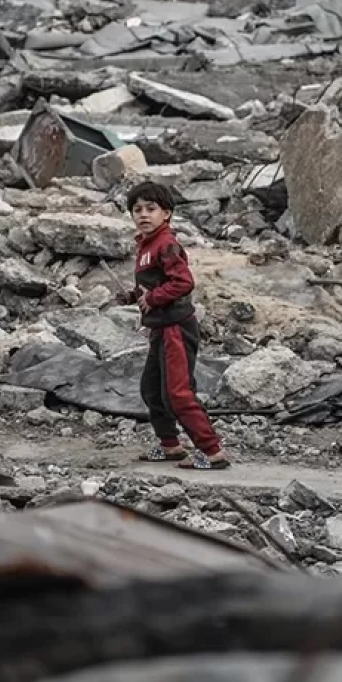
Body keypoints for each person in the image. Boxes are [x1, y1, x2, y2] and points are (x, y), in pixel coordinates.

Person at [116, 182, 230, 470]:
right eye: (137, 210)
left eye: (151, 209)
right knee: (152, 389)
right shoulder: (146, 244)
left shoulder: (166, 244)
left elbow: (183, 282)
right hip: (160, 328)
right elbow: (155, 282)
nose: (143, 214)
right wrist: (133, 295)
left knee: (177, 392)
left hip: (175, 328)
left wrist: (153, 299)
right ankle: (170, 445)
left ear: (166, 213)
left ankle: (212, 451)